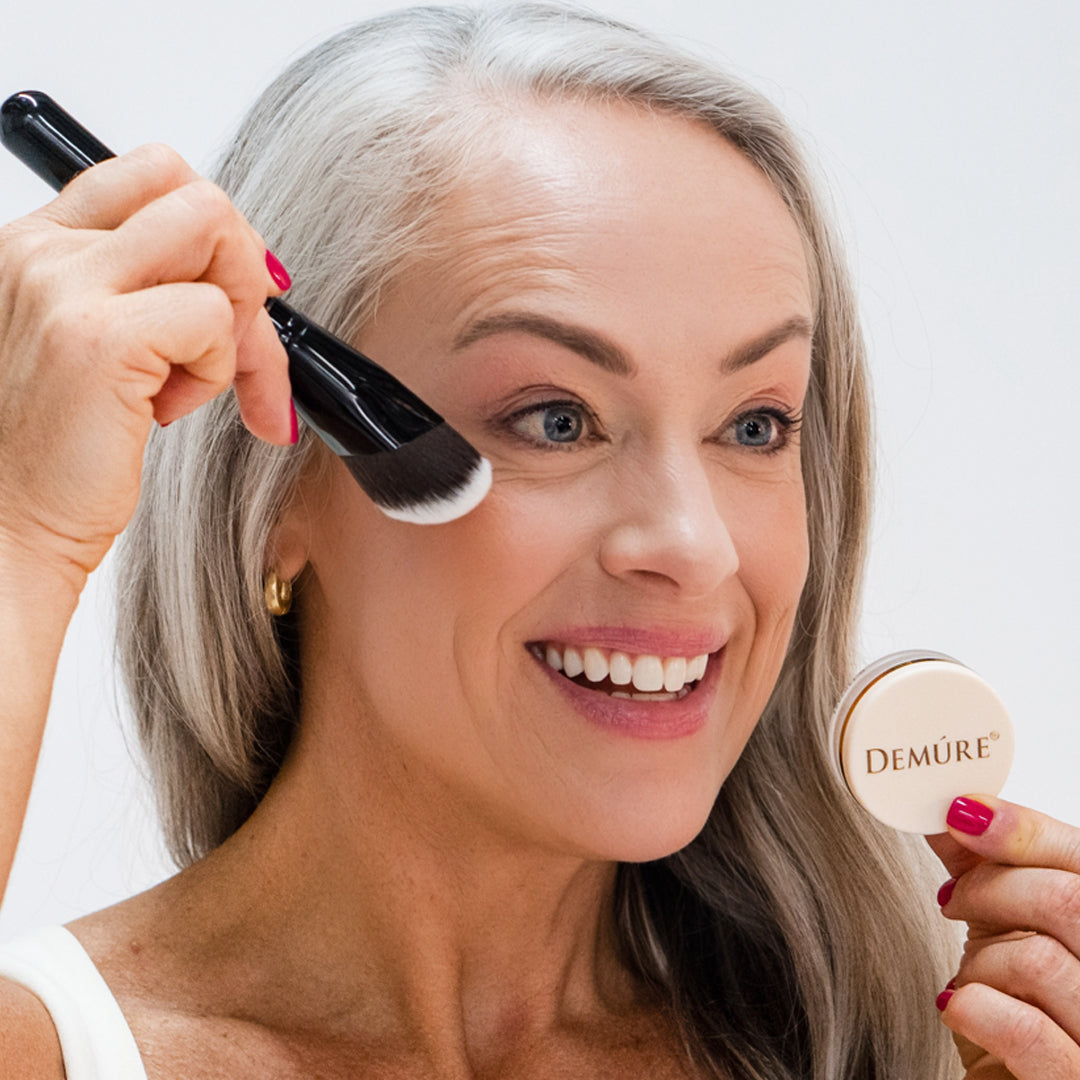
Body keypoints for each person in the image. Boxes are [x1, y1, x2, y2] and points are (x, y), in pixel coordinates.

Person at [0, 4, 1077, 1078]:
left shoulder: (906, 1045)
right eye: (555, 419)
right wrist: (23, 534)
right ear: (279, 490)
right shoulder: (57, 1049)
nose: (693, 546)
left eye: (755, 425)